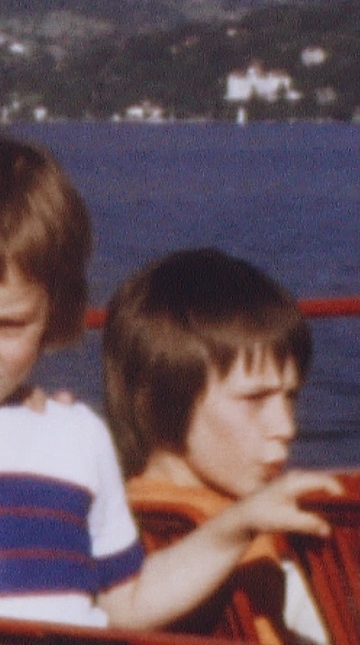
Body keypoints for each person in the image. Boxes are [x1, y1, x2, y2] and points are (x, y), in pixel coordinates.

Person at [0, 125, 340, 631]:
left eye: (9, 324)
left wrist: (238, 526)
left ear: (54, 314)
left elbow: (128, 603)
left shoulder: (76, 435)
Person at [103, 247, 331, 644]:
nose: (286, 427)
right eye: (254, 399)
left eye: (290, 397)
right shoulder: (208, 530)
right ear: (160, 402)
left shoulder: (123, 512)